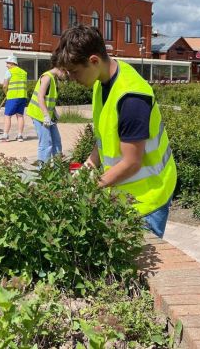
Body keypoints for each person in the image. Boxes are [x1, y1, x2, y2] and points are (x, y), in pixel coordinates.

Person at [52, 25, 177, 238]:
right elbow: (104, 139)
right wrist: (88, 167)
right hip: (125, 196)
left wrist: (89, 188)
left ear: (94, 61)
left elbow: (132, 163)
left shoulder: (131, 99)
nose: (72, 78)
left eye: (74, 72)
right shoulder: (102, 81)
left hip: (147, 200)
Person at [26, 61, 66, 163]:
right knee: (46, 143)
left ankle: (58, 168)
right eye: (67, 73)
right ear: (61, 68)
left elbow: (49, 99)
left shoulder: (53, 78)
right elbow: (40, 97)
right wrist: (46, 115)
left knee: (56, 141)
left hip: (48, 115)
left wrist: (54, 112)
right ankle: (44, 171)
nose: (66, 77)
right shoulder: (47, 77)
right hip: (39, 115)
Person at [2, 55, 28, 142]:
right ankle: (20, 136)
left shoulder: (9, 71)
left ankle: (5, 136)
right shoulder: (24, 72)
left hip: (13, 96)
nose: (6, 65)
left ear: (12, 63)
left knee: (7, 116)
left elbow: (5, 85)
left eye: (8, 63)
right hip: (23, 96)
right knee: (20, 116)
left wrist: (6, 93)